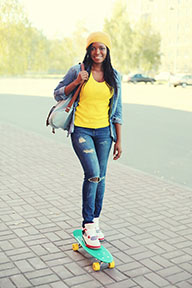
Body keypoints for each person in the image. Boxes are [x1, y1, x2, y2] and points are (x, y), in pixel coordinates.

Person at [54, 32, 122, 249]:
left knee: (101, 177)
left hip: (104, 133)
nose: (97, 52)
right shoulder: (78, 70)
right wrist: (76, 82)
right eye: (93, 48)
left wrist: (119, 140)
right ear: (88, 50)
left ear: (107, 50)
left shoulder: (115, 76)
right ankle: (88, 225)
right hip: (81, 130)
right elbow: (57, 93)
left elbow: (118, 110)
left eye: (102, 48)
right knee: (92, 174)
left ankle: (96, 220)